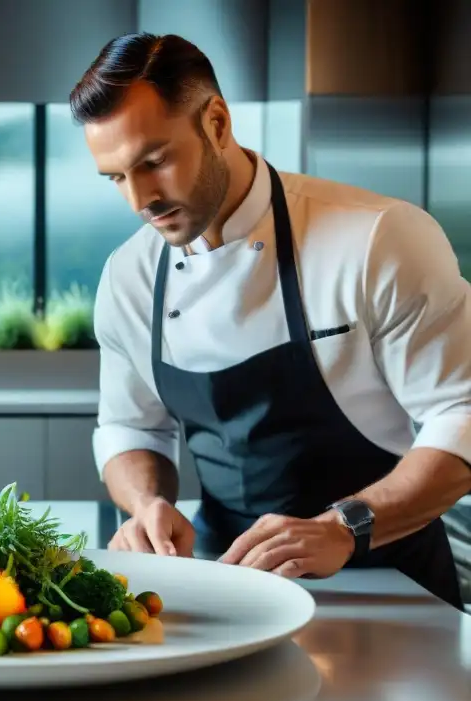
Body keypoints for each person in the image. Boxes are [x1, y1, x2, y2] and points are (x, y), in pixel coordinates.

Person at [72, 32, 471, 610]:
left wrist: (344, 527)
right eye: (116, 177)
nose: (140, 200)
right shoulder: (129, 276)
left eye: (154, 162)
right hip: (226, 590)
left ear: (216, 122)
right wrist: (147, 505)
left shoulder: (379, 238)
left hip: (389, 583)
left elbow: (461, 414)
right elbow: (133, 430)